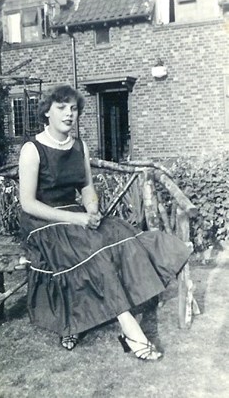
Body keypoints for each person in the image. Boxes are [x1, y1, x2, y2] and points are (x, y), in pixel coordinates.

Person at [19, 84, 192, 361]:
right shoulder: (32, 148)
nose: (69, 114)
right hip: (42, 220)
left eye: (74, 109)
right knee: (89, 252)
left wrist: (92, 209)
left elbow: (86, 187)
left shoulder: (79, 147)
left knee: (117, 234)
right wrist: (77, 217)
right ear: (46, 113)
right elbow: (28, 203)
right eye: (61, 108)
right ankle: (130, 328)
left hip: (74, 214)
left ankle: (80, 321)